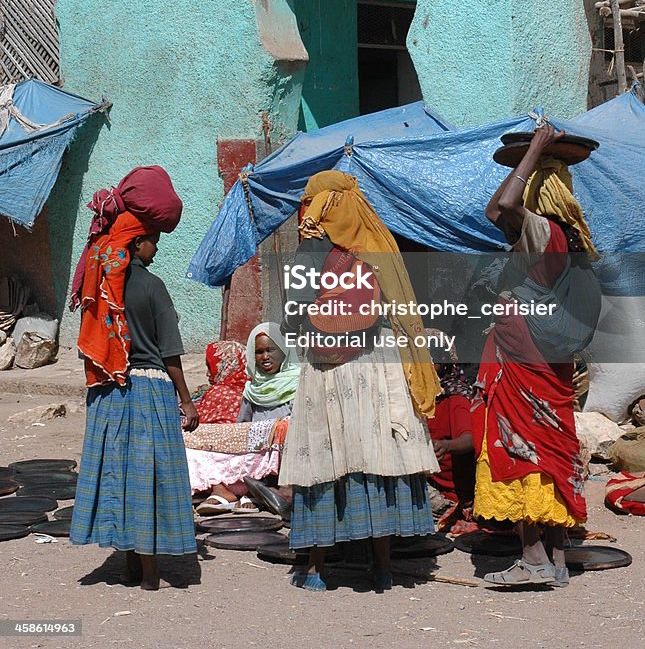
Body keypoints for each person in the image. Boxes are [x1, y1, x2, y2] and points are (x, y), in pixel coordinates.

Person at [279, 170, 440, 593]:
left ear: (321, 205)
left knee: (326, 459)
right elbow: (399, 315)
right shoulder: (380, 243)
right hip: (379, 368)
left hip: (329, 373)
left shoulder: (313, 248)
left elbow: (293, 313)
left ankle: (315, 569)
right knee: (376, 456)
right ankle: (382, 568)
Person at [472, 125, 599, 588]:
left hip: (523, 360)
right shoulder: (566, 237)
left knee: (521, 446)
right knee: (553, 448)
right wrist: (532, 163)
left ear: (536, 191)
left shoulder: (542, 232)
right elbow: (495, 211)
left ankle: (532, 558)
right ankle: (558, 563)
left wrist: (537, 150)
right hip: (550, 358)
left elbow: (504, 206)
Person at [70, 166, 199, 591]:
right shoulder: (154, 287)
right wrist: (187, 399)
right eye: (153, 241)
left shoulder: (103, 283)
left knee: (121, 477)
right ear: (137, 240)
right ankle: (149, 574)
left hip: (109, 392)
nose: (155, 249)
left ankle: (126, 566)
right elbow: (170, 353)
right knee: (148, 480)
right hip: (149, 392)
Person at [189, 322, 300, 513]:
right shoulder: (252, 390)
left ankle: (273, 490)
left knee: (286, 428)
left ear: (285, 350)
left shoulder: (298, 383)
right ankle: (226, 489)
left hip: (287, 457)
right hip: (257, 453)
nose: (265, 357)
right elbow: (241, 427)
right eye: (259, 352)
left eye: (271, 350)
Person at [425, 334, 475, 525]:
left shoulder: (455, 399)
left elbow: (469, 439)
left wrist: (446, 445)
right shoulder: (421, 399)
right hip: (433, 482)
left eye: (432, 362)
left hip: (452, 492)